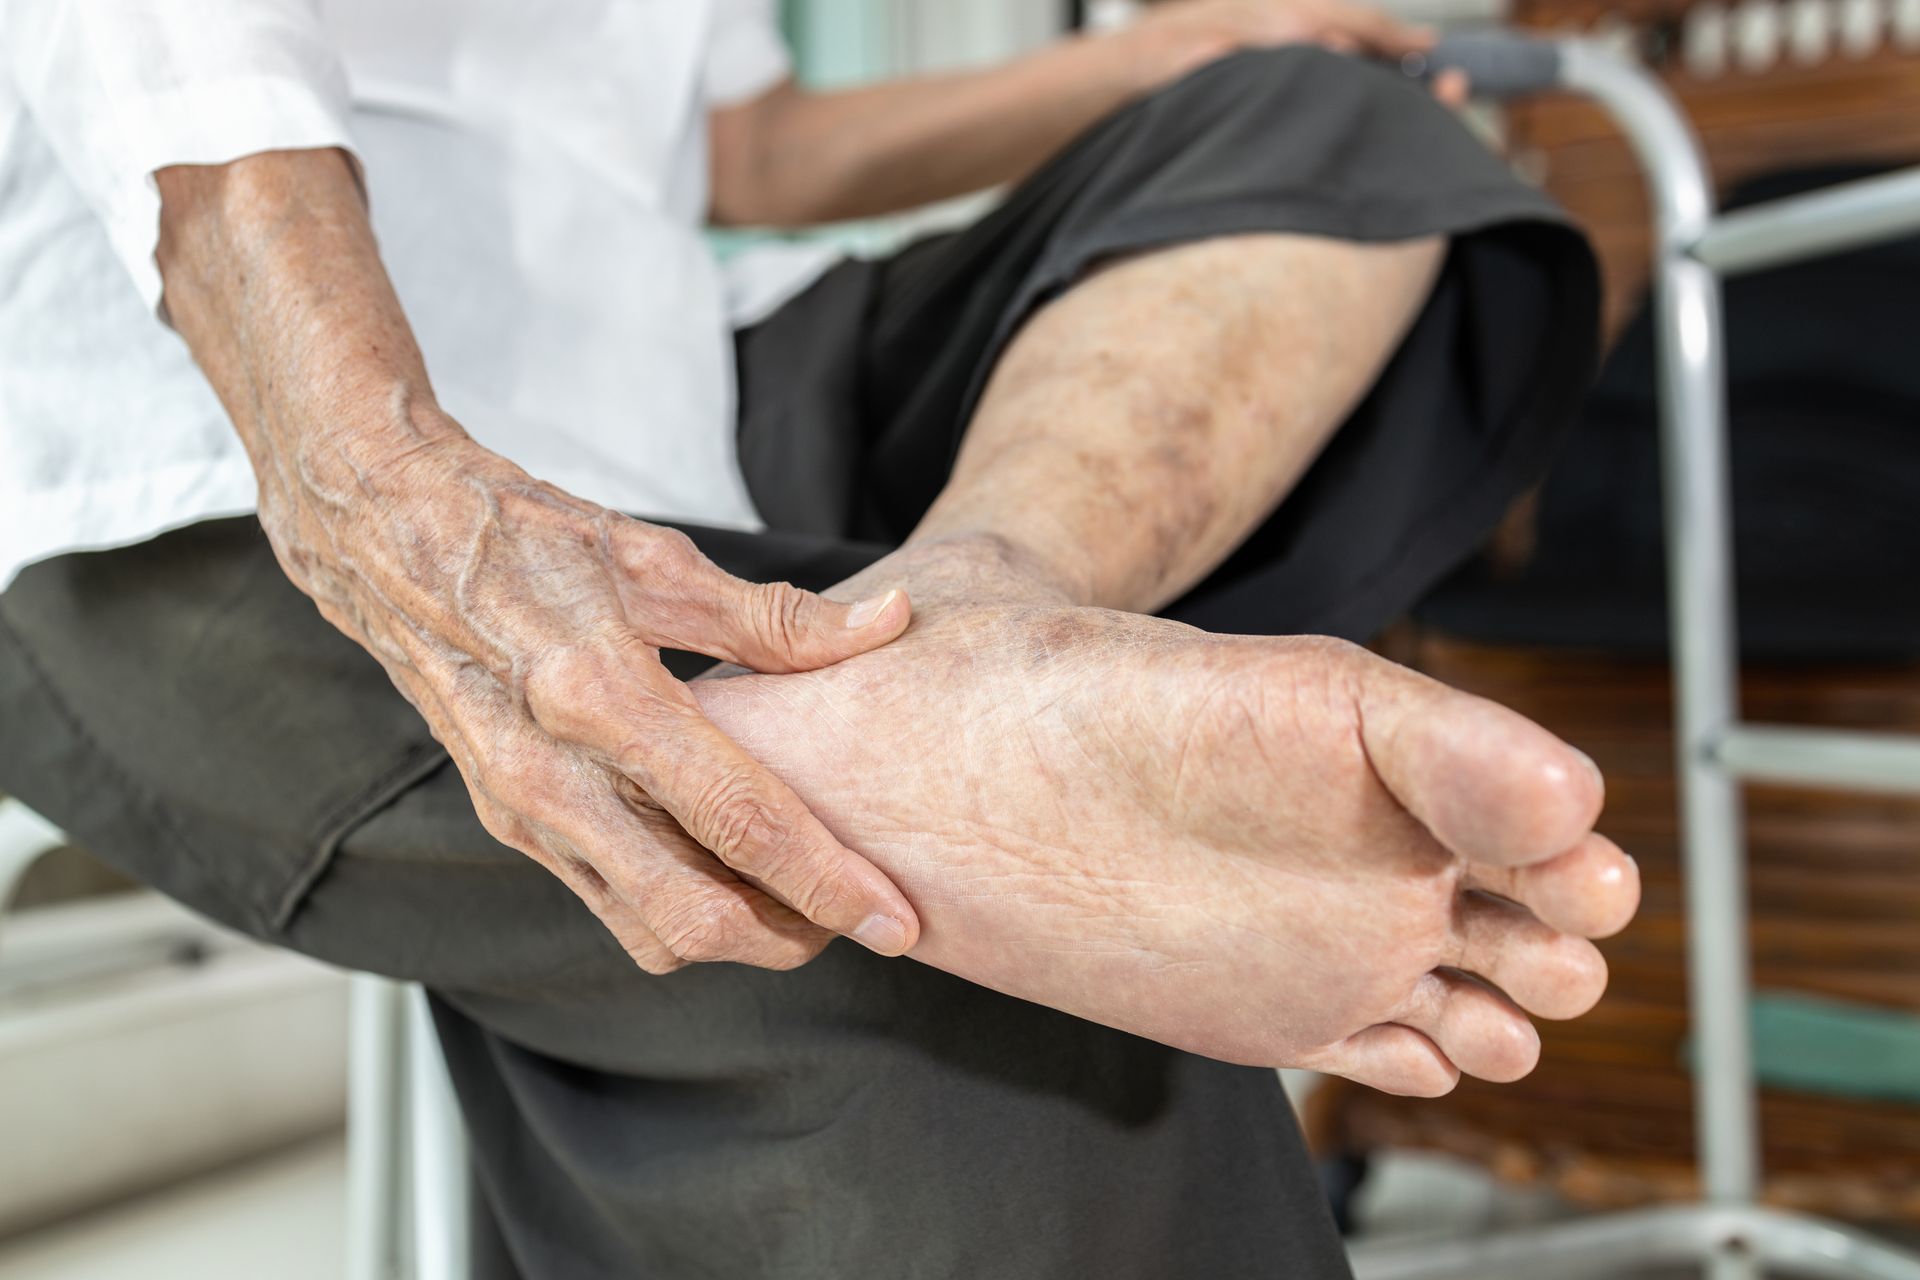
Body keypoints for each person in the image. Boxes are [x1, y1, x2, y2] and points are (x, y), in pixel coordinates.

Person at [0, 1, 1636, 1275]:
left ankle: (983, 610)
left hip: (682, 386)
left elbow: (743, 146)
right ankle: (918, 739)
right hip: (188, 419)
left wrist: (1168, 54)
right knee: (947, 948)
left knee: (1330, 132)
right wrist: (368, 463)